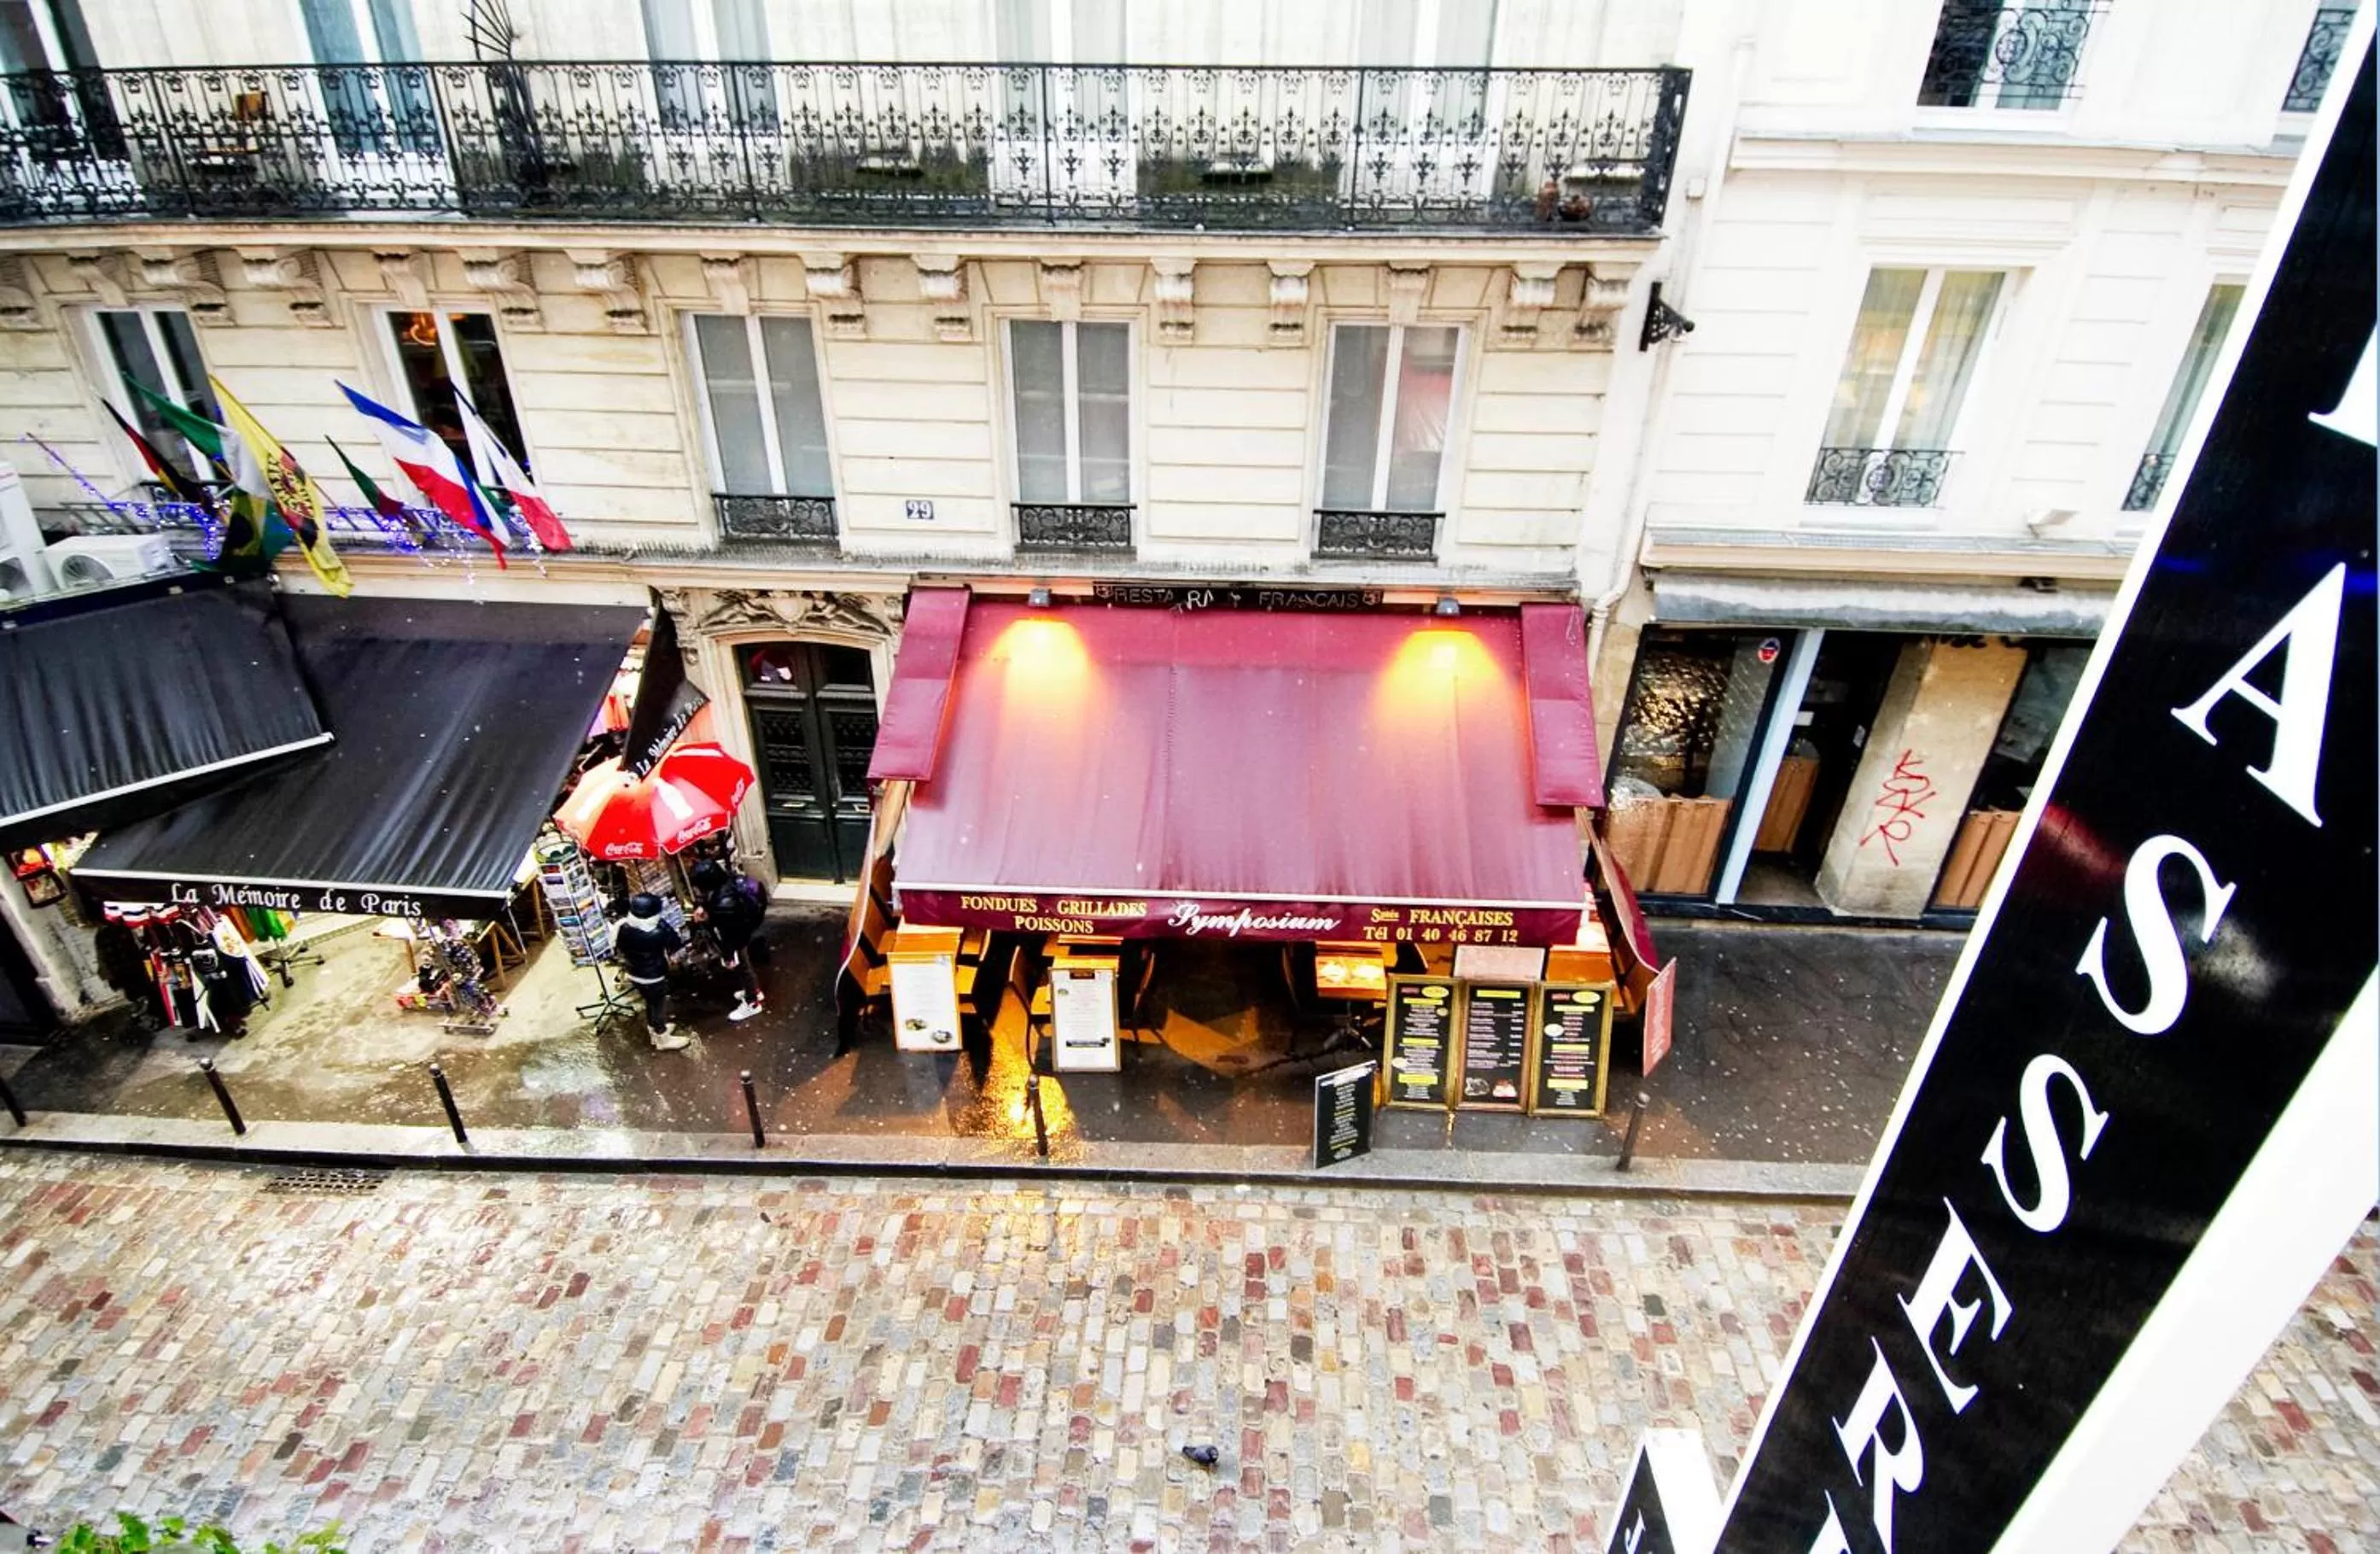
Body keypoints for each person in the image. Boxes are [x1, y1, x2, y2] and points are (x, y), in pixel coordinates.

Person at [691, 859, 767, 1022]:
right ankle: (753, 991)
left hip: (737, 938)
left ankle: (752, 1002)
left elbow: (727, 935)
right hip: (742, 930)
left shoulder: (724, 905)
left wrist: (728, 956)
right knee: (745, 966)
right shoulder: (727, 882)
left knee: (743, 968)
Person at [614, 892, 690, 1051]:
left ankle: (654, 1031)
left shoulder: (623, 927)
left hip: (634, 974)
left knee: (650, 1002)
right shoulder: (658, 930)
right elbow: (676, 948)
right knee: (658, 1005)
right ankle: (662, 1038)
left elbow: (618, 949)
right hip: (654, 976)